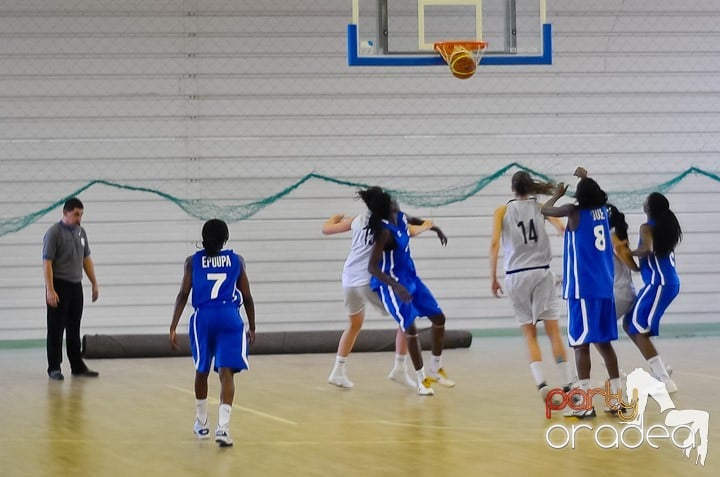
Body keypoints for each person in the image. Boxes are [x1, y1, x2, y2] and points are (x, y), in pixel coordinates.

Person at [323, 201, 447, 389]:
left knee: (354, 324)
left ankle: (337, 371)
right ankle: (399, 368)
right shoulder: (384, 225)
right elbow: (411, 231)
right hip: (366, 281)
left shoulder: (358, 220)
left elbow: (327, 229)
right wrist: (427, 225)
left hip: (348, 280)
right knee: (406, 318)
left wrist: (336, 216)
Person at [541, 168, 621, 417]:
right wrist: (584, 178)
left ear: (579, 197)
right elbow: (592, 194)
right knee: (604, 344)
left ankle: (584, 404)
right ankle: (616, 399)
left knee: (580, 345)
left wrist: (556, 194)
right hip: (604, 287)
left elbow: (545, 210)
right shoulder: (604, 212)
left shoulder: (573, 212)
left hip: (583, 289)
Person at [489, 171, 575, 402]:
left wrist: (493, 278)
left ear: (512, 189)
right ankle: (569, 385)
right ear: (531, 188)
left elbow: (495, 244)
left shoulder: (502, 211)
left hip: (515, 276)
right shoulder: (541, 207)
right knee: (553, 332)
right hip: (541, 272)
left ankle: (541, 383)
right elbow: (561, 228)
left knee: (529, 334)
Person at [169, 219, 256, 447]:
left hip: (204, 318)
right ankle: (223, 429)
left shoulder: (192, 262)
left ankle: (201, 422)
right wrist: (252, 326)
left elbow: (183, 294)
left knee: (202, 370)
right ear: (225, 239)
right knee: (227, 374)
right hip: (230, 317)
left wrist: (173, 326)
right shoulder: (237, 260)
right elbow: (247, 296)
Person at [361, 186, 453, 396]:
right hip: (391, 283)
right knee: (410, 328)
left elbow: (414, 219)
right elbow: (372, 267)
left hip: (411, 278)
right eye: (391, 200)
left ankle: (435, 369)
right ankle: (422, 380)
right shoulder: (383, 231)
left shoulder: (399, 216)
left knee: (439, 318)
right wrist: (397, 286)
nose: (395, 201)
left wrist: (434, 228)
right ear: (385, 208)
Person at [624, 192, 681, 393]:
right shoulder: (665, 226)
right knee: (629, 322)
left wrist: (627, 252)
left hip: (659, 284)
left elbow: (647, 249)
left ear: (649, 208)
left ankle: (665, 380)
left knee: (639, 329)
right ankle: (660, 367)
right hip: (664, 283)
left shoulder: (647, 227)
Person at [42, 197, 100, 381]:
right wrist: (50, 290)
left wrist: (94, 282)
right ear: (65, 213)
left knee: (74, 328)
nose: (79, 218)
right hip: (59, 285)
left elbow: (86, 259)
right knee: (56, 329)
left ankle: (77, 365)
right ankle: (54, 367)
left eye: (81, 214)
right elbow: (47, 263)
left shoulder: (81, 233)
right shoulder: (54, 233)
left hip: (76, 286)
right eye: (76, 214)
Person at [606, 203, 640, 322]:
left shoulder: (611, 236)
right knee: (630, 329)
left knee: (598, 328)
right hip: (623, 291)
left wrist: (637, 267)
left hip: (621, 293)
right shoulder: (612, 235)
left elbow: (628, 261)